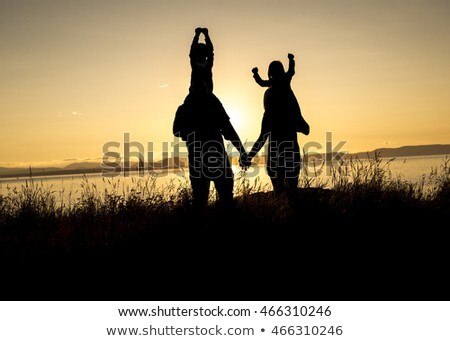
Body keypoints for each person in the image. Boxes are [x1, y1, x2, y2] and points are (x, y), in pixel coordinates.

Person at [173, 28, 246, 207]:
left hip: (203, 157)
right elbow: (228, 129)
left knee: (206, 199)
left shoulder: (192, 105)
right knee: (214, 197)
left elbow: (177, 130)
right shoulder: (202, 104)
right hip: (209, 155)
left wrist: (203, 36)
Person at [241, 53, 310, 194]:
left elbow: (262, 137)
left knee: (282, 191)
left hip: (278, 152)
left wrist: (249, 156)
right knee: (290, 191)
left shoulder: (275, 101)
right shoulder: (284, 96)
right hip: (287, 150)